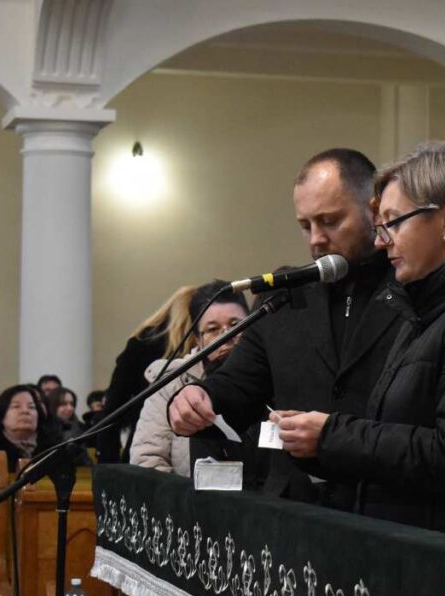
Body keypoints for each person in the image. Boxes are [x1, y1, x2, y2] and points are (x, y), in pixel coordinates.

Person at [180, 142, 445, 551]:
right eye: (305, 225)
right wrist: (201, 396)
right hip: (401, 533)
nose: (382, 240)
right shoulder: (429, 302)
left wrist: (330, 437)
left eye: (392, 222)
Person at [170, 148, 404, 505]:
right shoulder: (286, 295)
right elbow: (239, 384)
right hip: (295, 504)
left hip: (382, 500)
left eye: (330, 221)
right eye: (305, 226)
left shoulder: (407, 288)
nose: (315, 239)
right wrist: (201, 397)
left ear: (373, 210)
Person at [131, 281, 250, 476]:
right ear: (197, 340)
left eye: (236, 325)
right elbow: (147, 459)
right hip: (187, 493)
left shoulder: (275, 375)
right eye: (213, 329)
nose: (227, 336)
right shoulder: (171, 383)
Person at [99, 286, 197, 463]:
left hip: (141, 442)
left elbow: (113, 408)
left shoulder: (140, 342)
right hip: (185, 445)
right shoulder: (195, 348)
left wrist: (108, 462)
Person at [0, 384, 50, 473]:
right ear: (1, 415)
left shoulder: (54, 449)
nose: (25, 411)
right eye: (16, 406)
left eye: (31, 407)